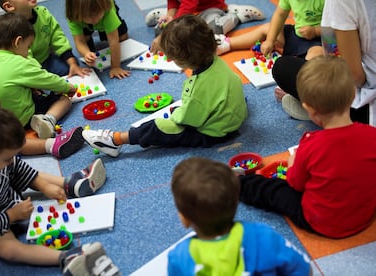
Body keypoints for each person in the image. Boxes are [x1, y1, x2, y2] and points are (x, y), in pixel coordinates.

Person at [0, 105, 121, 275]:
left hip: (4, 196)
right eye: (7, 158)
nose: (11, 161)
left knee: (34, 175)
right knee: (8, 249)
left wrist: (45, 187)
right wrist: (11, 215)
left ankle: (69, 183)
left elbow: (19, 168)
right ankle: (67, 258)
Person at [240, 56, 376, 238]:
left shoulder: (311, 143)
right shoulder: (371, 135)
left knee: (273, 191)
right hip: (363, 217)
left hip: (320, 221)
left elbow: (295, 183)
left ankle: (236, 184)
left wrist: (292, 163)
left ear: (309, 110)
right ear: (353, 96)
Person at [82, 15, 248, 157]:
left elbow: (189, 120)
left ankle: (116, 140)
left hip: (215, 132)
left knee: (158, 128)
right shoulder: (218, 62)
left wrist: (176, 114)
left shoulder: (198, 86)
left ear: (182, 60)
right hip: (235, 118)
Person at [168, 157, 311, 275]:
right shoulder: (262, 235)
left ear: (184, 219)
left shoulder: (179, 257)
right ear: (236, 203)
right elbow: (304, 270)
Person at [0, 13, 83, 159]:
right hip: (23, 118)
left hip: (1, 123)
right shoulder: (19, 63)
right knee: (64, 99)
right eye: (28, 47)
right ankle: (48, 119)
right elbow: (45, 78)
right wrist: (68, 88)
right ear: (18, 42)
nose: (27, 52)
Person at [273, 0, 375, 124]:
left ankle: (323, 111)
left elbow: (354, 76)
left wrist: (308, 90)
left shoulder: (340, 3)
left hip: (365, 109)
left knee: (283, 67)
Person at [0, 0, 90, 77]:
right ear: (9, 6)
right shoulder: (11, 28)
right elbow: (24, 60)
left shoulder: (43, 13)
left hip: (45, 59)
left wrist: (72, 63)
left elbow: (57, 37)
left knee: (72, 64)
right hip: (25, 68)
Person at [216, 0, 324, 58]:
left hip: (319, 40)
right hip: (296, 35)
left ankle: (298, 84)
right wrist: (270, 40)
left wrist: (316, 31)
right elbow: (280, 15)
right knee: (268, 28)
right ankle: (227, 44)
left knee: (316, 56)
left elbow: (337, 28)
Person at [147, 1, 265, 53]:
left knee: (210, 32)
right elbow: (173, 2)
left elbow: (189, 4)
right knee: (159, 30)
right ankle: (165, 13)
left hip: (209, 9)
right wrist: (170, 16)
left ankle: (236, 15)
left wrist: (164, 35)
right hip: (187, 13)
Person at [65, 0, 130, 80]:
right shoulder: (74, 16)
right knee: (87, 46)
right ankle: (92, 32)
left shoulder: (108, 11)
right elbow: (79, 41)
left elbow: (113, 41)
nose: (95, 20)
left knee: (123, 38)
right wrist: (86, 53)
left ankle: (104, 31)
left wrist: (115, 67)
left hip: (106, 15)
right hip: (84, 23)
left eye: (98, 13)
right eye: (89, 16)